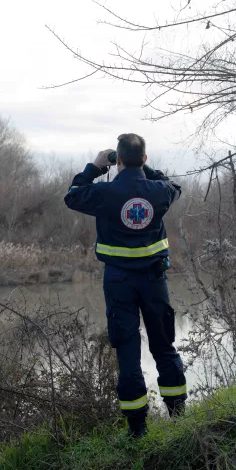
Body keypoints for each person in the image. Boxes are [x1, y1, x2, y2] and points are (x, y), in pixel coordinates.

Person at [64, 133, 186, 438]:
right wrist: (145, 169)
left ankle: (137, 430)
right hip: (154, 279)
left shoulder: (104, 192)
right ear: (143, 159)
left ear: (116, 160)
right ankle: (180, 418)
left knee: (128, 352)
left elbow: (73, 195)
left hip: (118, 281)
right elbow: (174, 186)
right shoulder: (158, 191)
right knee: (164, 346)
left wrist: (94, 167)